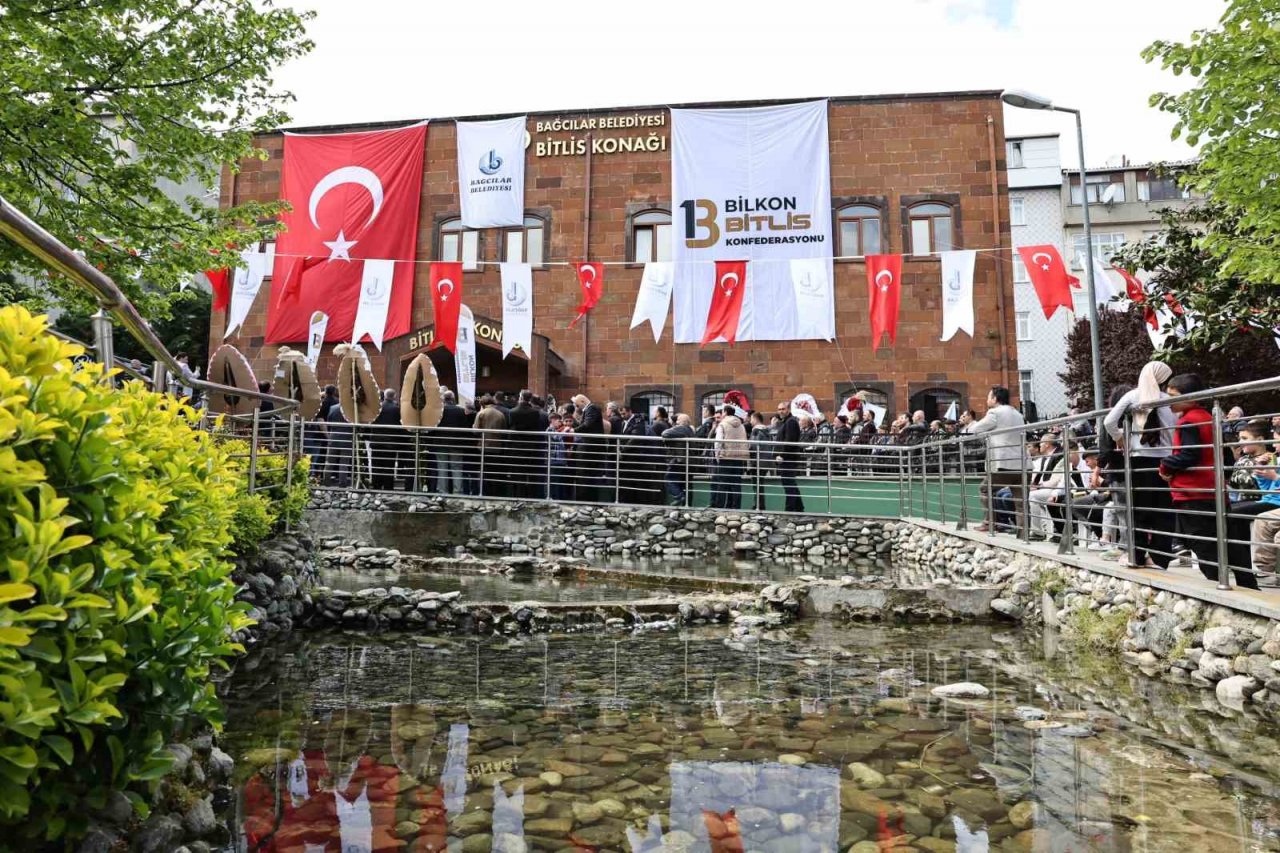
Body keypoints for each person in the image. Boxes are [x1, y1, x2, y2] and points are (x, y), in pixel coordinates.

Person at [1159, 374, 1259, 589]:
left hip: (1193, 492)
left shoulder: (1188, 421)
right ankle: (1248, 585)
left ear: (1191, 397)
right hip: (1213, 490)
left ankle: (1219, 584)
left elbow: (1189, 455)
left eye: (1173, 396)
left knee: (1202, 543)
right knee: (1229, 541)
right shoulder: (1207, 417)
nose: (1168, 401)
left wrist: (1165, 467)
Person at [1105, 361, 1178, 569]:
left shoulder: (1132, 396)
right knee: (1164, 511)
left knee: (1137, 510)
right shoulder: (1169, 400)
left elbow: (1109, 421)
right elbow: (1174, 429)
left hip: (1138, 461)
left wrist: (1121, 438)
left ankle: (1135, 556)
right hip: (1165, 460)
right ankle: (1160, 558)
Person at [967, 386, 1027, 534]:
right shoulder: (1017, 414)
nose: (987, 400)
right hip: (1023, 462)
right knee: (1020, 500)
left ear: (995, 399)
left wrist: (970, 428)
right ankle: (1023, 531)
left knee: (985, 489)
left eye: (989, 397)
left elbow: (974, 429)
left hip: (1003, 463)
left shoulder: (995, 412)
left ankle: (990, 523)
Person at [508, 389, 544, 499]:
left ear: (521, 397)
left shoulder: (513, 411)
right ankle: (531, 496)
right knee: (532, 473)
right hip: (531, 447)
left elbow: (511, 426)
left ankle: (519, 495)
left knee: (518, 473)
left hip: (517, 447)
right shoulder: (535, 412)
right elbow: (537, 428)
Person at [712, 405, 748, 509]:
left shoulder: (722, 424)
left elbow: (718, 442)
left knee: (723, 484)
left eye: (722, 412)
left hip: (726, 457)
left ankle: (720, 507)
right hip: (739, 457)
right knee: (736, 484)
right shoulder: (741, 425)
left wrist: (717, 456)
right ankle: (736, 507)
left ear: (725, 412)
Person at [572, 394, 605, 502]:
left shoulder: (592, 408)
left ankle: (585, 500)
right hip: (590, 448)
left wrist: (574, 431)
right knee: (587, 476)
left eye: (577, 405)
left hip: (590, 448)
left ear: (582, 401)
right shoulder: (590, 409)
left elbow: (587, 424)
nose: (577, 407)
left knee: (585, 476)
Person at [435, 390, 469, 496]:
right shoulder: (460, 411)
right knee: (457, 467)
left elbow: (434, 427)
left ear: (443, 399)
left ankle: (442, 491)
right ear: (453, 399)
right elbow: (465, 427)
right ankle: (457, 491)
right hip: (456, 444)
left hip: (440, 443)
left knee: (442, 467)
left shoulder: (438, 411)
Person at [474, 395, 509, 497]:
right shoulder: (500, 414)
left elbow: (475, 430)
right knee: (494, 471)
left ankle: (483, 493)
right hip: (497, 447)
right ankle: (495, 493)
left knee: (483, 471)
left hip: (484, 446)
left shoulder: (481, 413)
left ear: (482, 404)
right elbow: (504, 430)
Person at [370, 388, 404, 490]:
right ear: (394, 396)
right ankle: (388, 487)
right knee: (389, 466)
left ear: (384, 396)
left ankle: (376, 485)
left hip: (376, 441)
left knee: (376, 465)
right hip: (391, 442)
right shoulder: (397, 409)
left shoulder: (377, 407)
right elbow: (400, 425)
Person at [775, 401, 805, 512]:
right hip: (788, 457)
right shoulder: (788, 421)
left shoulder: (790, 422)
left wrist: (781, 455)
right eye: (779, 409)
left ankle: (791, 508)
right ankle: (798, 507)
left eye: (783, 409)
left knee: (788, 484)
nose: (780, 411)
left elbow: (789, 441)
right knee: (789, 483)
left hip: (788, 458)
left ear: (788, 409)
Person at [662, 413, 695, 505]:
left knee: (669, 480)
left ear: (681, 422)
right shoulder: (690, 430)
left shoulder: (681, 428)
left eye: (678, 420)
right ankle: (686, 505)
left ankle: (679, 497)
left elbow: (665, 433)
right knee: (686, 485)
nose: (676, 422)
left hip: (679, 461)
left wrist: (673, 428)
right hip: (689, 462)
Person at [547, 412, 574, 501]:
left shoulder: (556, 430)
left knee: (558, 481)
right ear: (553, 420)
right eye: (559, 421)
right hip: (554, 460)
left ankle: (557, 497)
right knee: (555, 481)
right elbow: (555, 437)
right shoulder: (550, 430)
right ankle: (554, 498)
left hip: (558, 461)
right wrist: (565, 430)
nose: (560, 423)